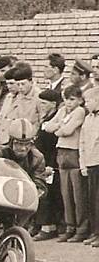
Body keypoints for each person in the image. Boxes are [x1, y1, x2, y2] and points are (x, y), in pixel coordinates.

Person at [42, 85, 88, 242]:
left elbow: (67, 131)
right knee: (65, 193)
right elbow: (47, 126)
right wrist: (59, 126)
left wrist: (59, 127)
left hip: (73, 153)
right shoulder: (62, 111)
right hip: (61, 152)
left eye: (72, 99)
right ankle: (70, 226)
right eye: (66, 99)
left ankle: (81, 228)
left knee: (78, 194)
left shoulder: (80, 111)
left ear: (80, 100)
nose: (68, 103)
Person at [34, 89, 64, 242]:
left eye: (45, 103)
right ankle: (41, 225)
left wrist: (50, 164)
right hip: (41, 160)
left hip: (49, 163)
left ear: (53, 104)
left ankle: (48, 226)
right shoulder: (46, 118)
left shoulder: (54, 120)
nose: (42, 106)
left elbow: (54, 146)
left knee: (48, 194)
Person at [79, 87, 99, 247]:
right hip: (90, 163)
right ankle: (94, 232)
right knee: (92, 201)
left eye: (89, 101)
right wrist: (83, 163)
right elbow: (83, 142)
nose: (86, 104)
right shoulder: (88, 119)